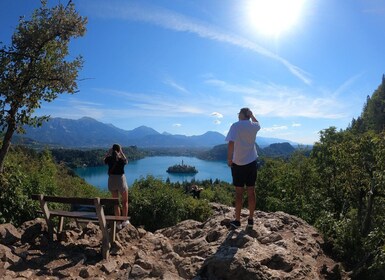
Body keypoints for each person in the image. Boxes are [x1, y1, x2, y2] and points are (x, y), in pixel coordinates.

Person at [225, 108, 261, 229]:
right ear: (249, 115)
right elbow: (258, 124)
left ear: (242, 114)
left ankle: (237, 220)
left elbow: (231, 143)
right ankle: (250, 219)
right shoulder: (253, 126)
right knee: (251, 191)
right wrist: (252, 115)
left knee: (239, 193)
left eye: (239, 113)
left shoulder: (235, 126)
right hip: (251, 162)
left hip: (238, 163)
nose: (237, 114)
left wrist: (229, 159)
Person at [104, 143, 130, 228]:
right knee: (125, 201)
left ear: (112, 150)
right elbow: (126, 161)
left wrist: (108, 152)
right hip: (120, 180)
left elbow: (104, 160)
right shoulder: (121, 160)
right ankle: (124, 221)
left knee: (116, 203)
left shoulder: (109, 159)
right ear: (119, 150)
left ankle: (118, 223)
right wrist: (121, 152)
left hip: (111, 181)